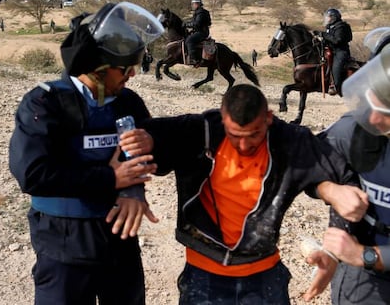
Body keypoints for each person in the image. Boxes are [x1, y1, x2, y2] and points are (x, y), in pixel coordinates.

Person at [114, 83, 367, 304]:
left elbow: (342, 177)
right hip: (203, 275)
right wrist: (135, 175)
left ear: (268, 117)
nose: (244, 145)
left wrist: (333, 251)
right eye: (235, 136)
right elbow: (144, 134)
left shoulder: (290, 140)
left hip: (265, 275)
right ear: (223, 118)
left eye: (255, 134)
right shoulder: (200, 131)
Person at [8, 2, 164, 305]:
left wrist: (133, 189)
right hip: (63, 241)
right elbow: (33, 173)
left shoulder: (128, 102)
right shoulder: (44, 103)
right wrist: (110, 178)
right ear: (99, 66)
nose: (132, 75)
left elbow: (144, 149)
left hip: (119, 239)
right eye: (124, 68)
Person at [303, 28, 390, 304]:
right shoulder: (356, 129)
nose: (372, 117)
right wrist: (329, 190)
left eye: (386, 111)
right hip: (362, 282)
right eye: (371, 100)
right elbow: (307, 163)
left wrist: (365, 255)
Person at [314, 8, 352, 96]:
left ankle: (335, 86)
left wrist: (323, 34)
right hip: (331, 50)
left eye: (328, 17)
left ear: (334, 18)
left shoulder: (341, 27)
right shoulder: (330, 27)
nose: (327, 19)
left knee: (336, 67)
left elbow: (337, 40)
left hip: (340, 51)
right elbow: (328, 39)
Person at [184, 0, 211, 65]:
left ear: (197, 4)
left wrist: (187, 25)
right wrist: (187, 23)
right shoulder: (198, 12)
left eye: (193, 4)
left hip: (202, 32)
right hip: (200, 31)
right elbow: (194, 22)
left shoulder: (201, 13)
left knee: (189, 40)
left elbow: (197, 24)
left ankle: (194, 59)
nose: (192, 5)